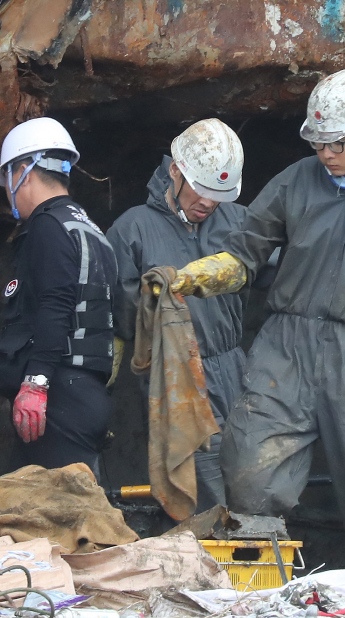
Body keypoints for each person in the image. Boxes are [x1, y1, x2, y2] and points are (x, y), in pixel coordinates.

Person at [166, 69, 345, 563]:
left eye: (336, 143)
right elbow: (243, 256)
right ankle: (256, 595)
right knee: (250, 475)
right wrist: (194, 276)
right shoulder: (294, 182)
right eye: (318, 143)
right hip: (285, 349)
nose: (325, 153)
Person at [106, 118, 248, 512]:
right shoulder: (131, 230)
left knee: (249, 480)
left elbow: (283, 276)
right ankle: (207, 570)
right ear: (175, 170)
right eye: (201, 189)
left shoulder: (240, 222)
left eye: (219, 194)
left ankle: (255, 570)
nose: (208, 202)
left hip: (234, 369)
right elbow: (120, 319)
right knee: (198, 489)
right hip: (173, 377)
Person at [0, 117, 117, 481]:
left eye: (8, 178)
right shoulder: (90, 229)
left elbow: (56, 304)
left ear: (23, 173)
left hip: (58, 399)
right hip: (84, 395)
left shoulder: (48, 226)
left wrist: (36, 383)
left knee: (48, 524)